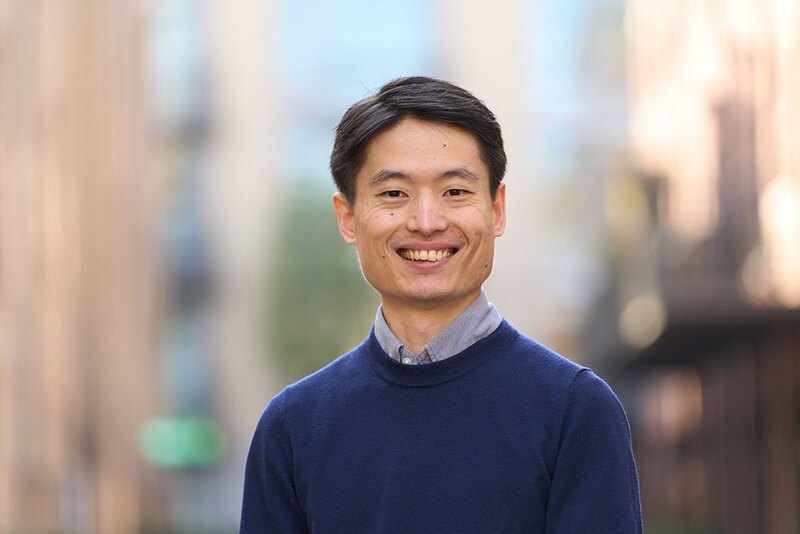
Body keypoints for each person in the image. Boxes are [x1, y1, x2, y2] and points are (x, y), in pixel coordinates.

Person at [240, 76, 642, 533]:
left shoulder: (575, 411)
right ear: (348, 217)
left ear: (496, 210)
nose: (426, 222)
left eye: (455, 191)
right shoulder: (292, 427)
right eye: (394, 193)